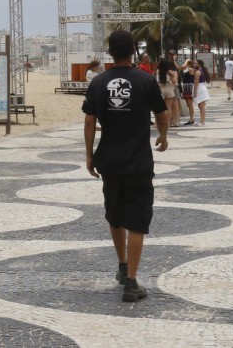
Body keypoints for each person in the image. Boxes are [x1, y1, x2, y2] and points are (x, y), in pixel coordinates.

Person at [83, 30, 168, 303]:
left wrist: (89, 155)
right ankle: (131, 281)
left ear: (110, 52)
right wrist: (163, 137)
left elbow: (88, 121)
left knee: (115, 215)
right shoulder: (145, 79)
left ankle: (122, 265)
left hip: (109, 160)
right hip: (139, 161)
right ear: (133, 50)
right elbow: (162, 113)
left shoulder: (98, 82)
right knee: (137, 222)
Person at [156, 53, 181, 127]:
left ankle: (160, 123)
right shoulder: (170, 72)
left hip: (160, 89)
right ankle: (168, 124)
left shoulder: (158, 71)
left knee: (161, 108)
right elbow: (174, 81)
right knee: (169, 107)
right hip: (169, 88)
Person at [193, 58, 212, 126]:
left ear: (199, 64)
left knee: (201, 106)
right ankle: (202, 121)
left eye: (195, 63)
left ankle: (202, 121)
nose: (194, 64)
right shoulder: (202, 70)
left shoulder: (198, 72)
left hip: (200, 88)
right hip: (203, 87)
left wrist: (194, 92)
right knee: (201, 106)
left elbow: (196, 82)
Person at [179, 59, 196, 126]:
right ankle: (191, 119)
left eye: (187, 63)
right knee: (188, 104)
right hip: (185, 87)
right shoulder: (186, 70)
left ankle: (191, 119)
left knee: (190, 104)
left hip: (189, 87)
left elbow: (184, 66)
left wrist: (186, 60)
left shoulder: (190, 70)